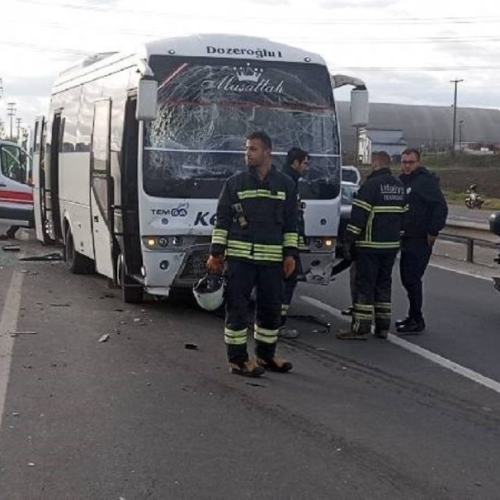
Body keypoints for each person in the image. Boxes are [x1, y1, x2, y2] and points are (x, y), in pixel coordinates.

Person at [207, 131, 299, 377]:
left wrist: (290, 254)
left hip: (272, 261)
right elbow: (223, 220)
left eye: (252, 149)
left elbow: (292, 222)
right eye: (246, 149)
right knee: (237, 309)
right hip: (240, 260)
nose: (247, 153)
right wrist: (216, 253)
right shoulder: (235, 183)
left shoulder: (285, 185)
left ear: (267, 152)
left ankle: (266, 356)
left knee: (271, 309)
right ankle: (238, 360)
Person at [337, 151, 406, 340]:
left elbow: (358, 216)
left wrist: (348, 241)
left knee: (364, 285)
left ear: (376, 164)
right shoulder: (399, 186)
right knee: (384, 284)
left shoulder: (371, 185)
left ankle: (360, 328)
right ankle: (383, 327)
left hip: (369, 245)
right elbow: (405, 216)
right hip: (391, 246)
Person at [396, 148, 448, 334]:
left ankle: (417, 319)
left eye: (411, 162)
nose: (407, 165)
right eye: (404, 162)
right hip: (406, 237)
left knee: (412, 278)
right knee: (406, 278)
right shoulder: (402, 181)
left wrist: (433, 231)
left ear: (418, 162)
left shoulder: (425, 182)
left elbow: (440, 207)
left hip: (420, 238)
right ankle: (413, 316)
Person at [279, 147, 309, 339]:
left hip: (285, 243)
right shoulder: (288, 182)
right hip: (285, 245)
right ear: (295, 163)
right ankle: (278, 324)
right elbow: (290, 217)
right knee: (286, 282)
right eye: (305, 163)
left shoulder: (288, 180)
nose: (306, 168)